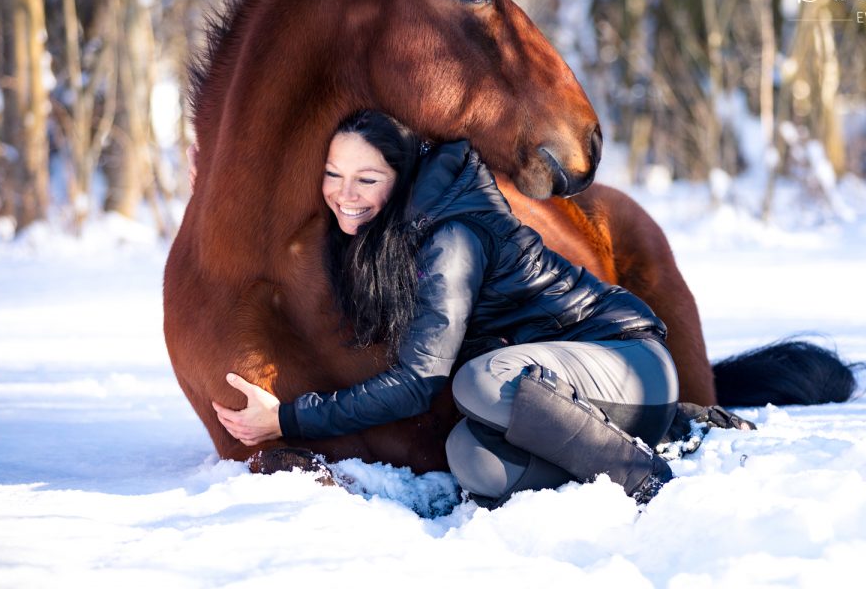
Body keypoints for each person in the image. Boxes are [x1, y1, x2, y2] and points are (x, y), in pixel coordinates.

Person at [212, 110, 682, 507]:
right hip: (574, 397)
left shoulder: (450, 238)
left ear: (401, 180)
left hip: (629, 364)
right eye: (334, 174)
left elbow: (419, 382)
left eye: (366, 179)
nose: (345, 193)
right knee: (471, 457)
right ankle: (610, 472)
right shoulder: (391, 234)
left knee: (482, 382)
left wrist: (286, 418)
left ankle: (643, 479)